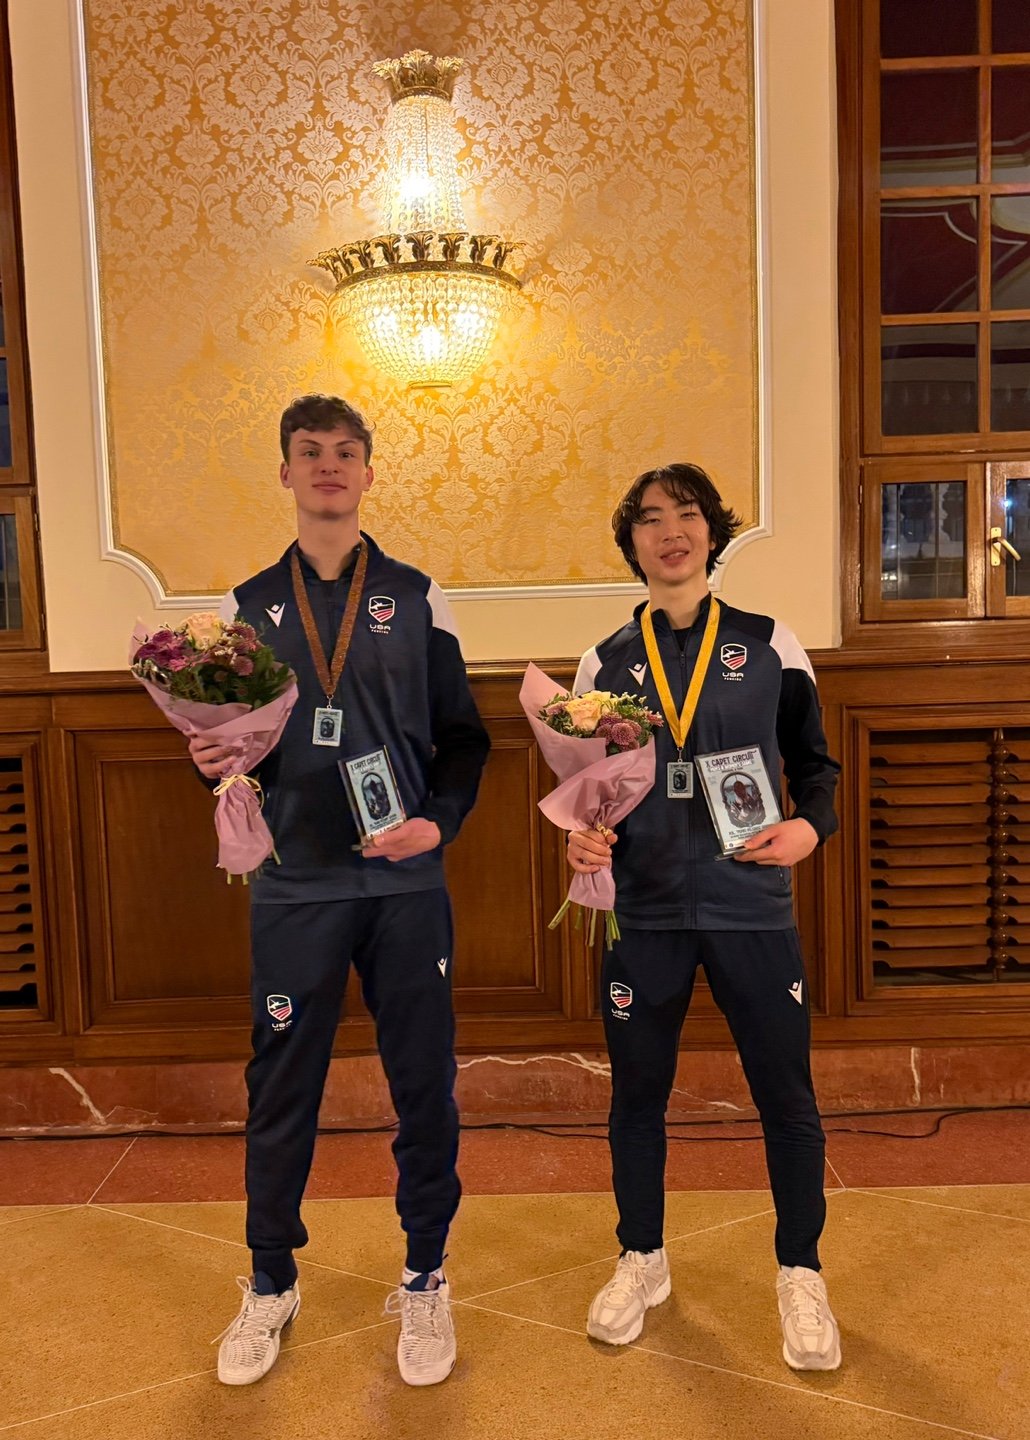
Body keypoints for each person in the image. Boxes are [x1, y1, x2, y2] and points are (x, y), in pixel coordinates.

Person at [190, 394, 490, 1388]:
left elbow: (465, 742)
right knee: (280, 1092)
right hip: (294, 885)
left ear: (368, 473)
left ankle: (425, 1274)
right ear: (284, 473)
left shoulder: (418, 594)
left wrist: (436, 824)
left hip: (403, 882)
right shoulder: (245, 608)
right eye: (309, 453)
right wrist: (210, 760)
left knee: (422, 1088)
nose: (327, 466)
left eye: (345, 453)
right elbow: (237, 758)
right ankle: (271, 1280)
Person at [568, 463, 842, 1371]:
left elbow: (819, 770)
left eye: (687, 515)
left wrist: (807, 829)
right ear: (633, 542)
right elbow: (585, 796)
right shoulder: (602, 662)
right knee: (637, 1096)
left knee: (786, 1099)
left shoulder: (771, 643)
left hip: (749, 907)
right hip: (643, 913)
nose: (670, 531)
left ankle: (800, 1271)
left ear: (712, 534)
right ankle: (641, 1258)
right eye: (650, 519)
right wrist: (583, 842)